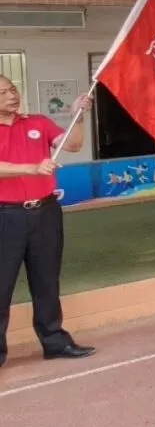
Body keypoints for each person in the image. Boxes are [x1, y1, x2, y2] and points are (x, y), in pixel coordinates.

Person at [0, 75, 96, 368]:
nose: (11, 95)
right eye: (3, 92)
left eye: (13, 89)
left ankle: (54, 341)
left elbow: (74, 144)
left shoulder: (37, 122)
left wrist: (77, 116)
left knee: (46, 281)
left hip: (45, 212)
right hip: (6, 215)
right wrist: (32, 167)